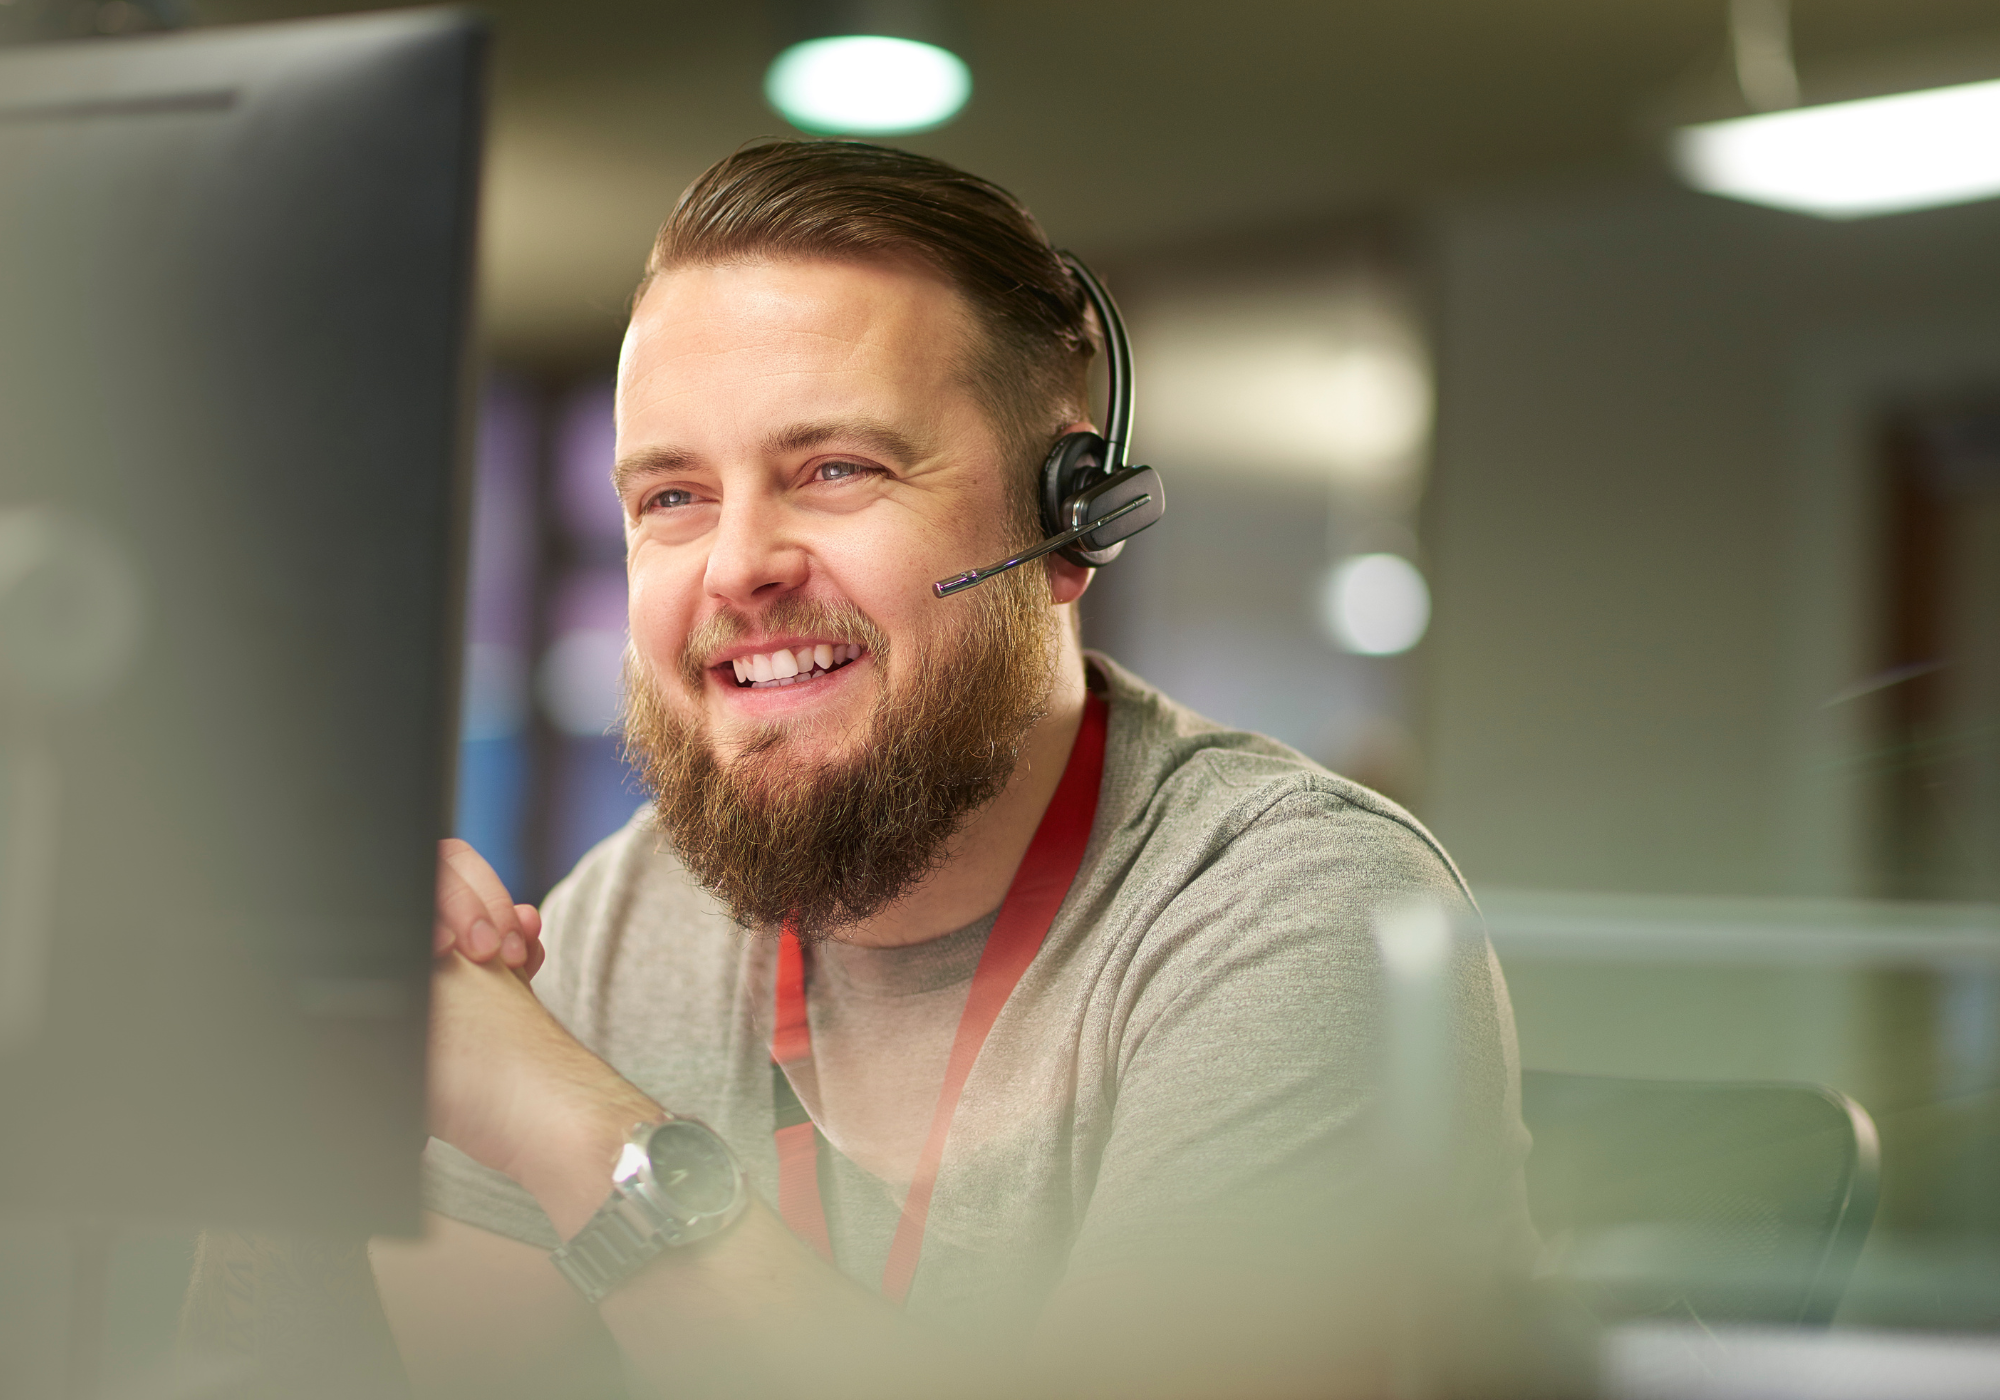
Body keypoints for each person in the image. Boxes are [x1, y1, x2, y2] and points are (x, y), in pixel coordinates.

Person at [182, 140, 1534, 1400]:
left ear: (1069, 526)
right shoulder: (624, 918)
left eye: (833, 468)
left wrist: (571, 1127)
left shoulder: (1298, 915)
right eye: (672, 497)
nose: (738, 565)